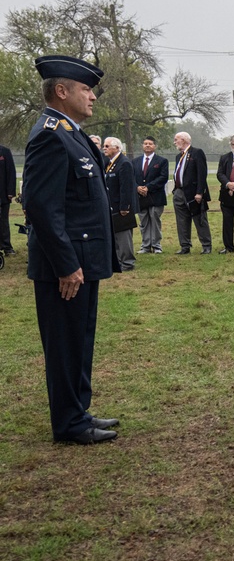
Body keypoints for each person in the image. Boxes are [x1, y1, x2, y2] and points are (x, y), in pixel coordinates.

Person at [21, 54, 121, 444]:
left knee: (80, 338)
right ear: (61, 91)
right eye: (85, 89)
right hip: (64, 266)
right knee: (64, 344)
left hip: (83, 260)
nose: (92, 96)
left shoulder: (71, 131)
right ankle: (68, 423)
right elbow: (42, 207)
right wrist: (66, 265)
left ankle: (79, 411)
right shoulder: (49, 134)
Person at [172, 131, 212, 254]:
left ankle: (206, 245)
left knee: (200, 219)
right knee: (182, 220)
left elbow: (202, 174)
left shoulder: (197, 153)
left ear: (184, 140)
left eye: (176, 140)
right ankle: (185, 246)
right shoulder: (179, 156)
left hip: (193, 193)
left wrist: (200, 192)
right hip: (179, 192)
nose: (175, 142)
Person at [102, 137, 137, 271]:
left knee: (123, 236)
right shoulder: (110, 163)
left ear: (116, 148)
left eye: (107, 146)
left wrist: (125, 206)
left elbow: (126, 187)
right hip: (111, 205)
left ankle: (128, 262)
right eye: (104, 146)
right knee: (115, 235)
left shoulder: (124, 163)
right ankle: (118, 261)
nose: (104, 148)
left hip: (121, 206)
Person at [133, 136, 169, 254]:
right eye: (145, 143)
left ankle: (156, 245)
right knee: (144, 221)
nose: (147, 145)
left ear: (155, 146)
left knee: (155, 219)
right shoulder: (135, 161)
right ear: (142, 146)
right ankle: (145, 245)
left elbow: (163, 177)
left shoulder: (161, 161)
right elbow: (131, 177)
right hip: (140, 196)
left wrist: (148, 187)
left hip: (155, 196)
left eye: (150, 144)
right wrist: (138, 187)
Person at [0, 143, 15, 255]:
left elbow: (11, 172)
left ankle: (7, 247)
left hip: (3, 194)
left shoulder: (5, 151)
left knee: (4, 221)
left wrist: (10, 192)